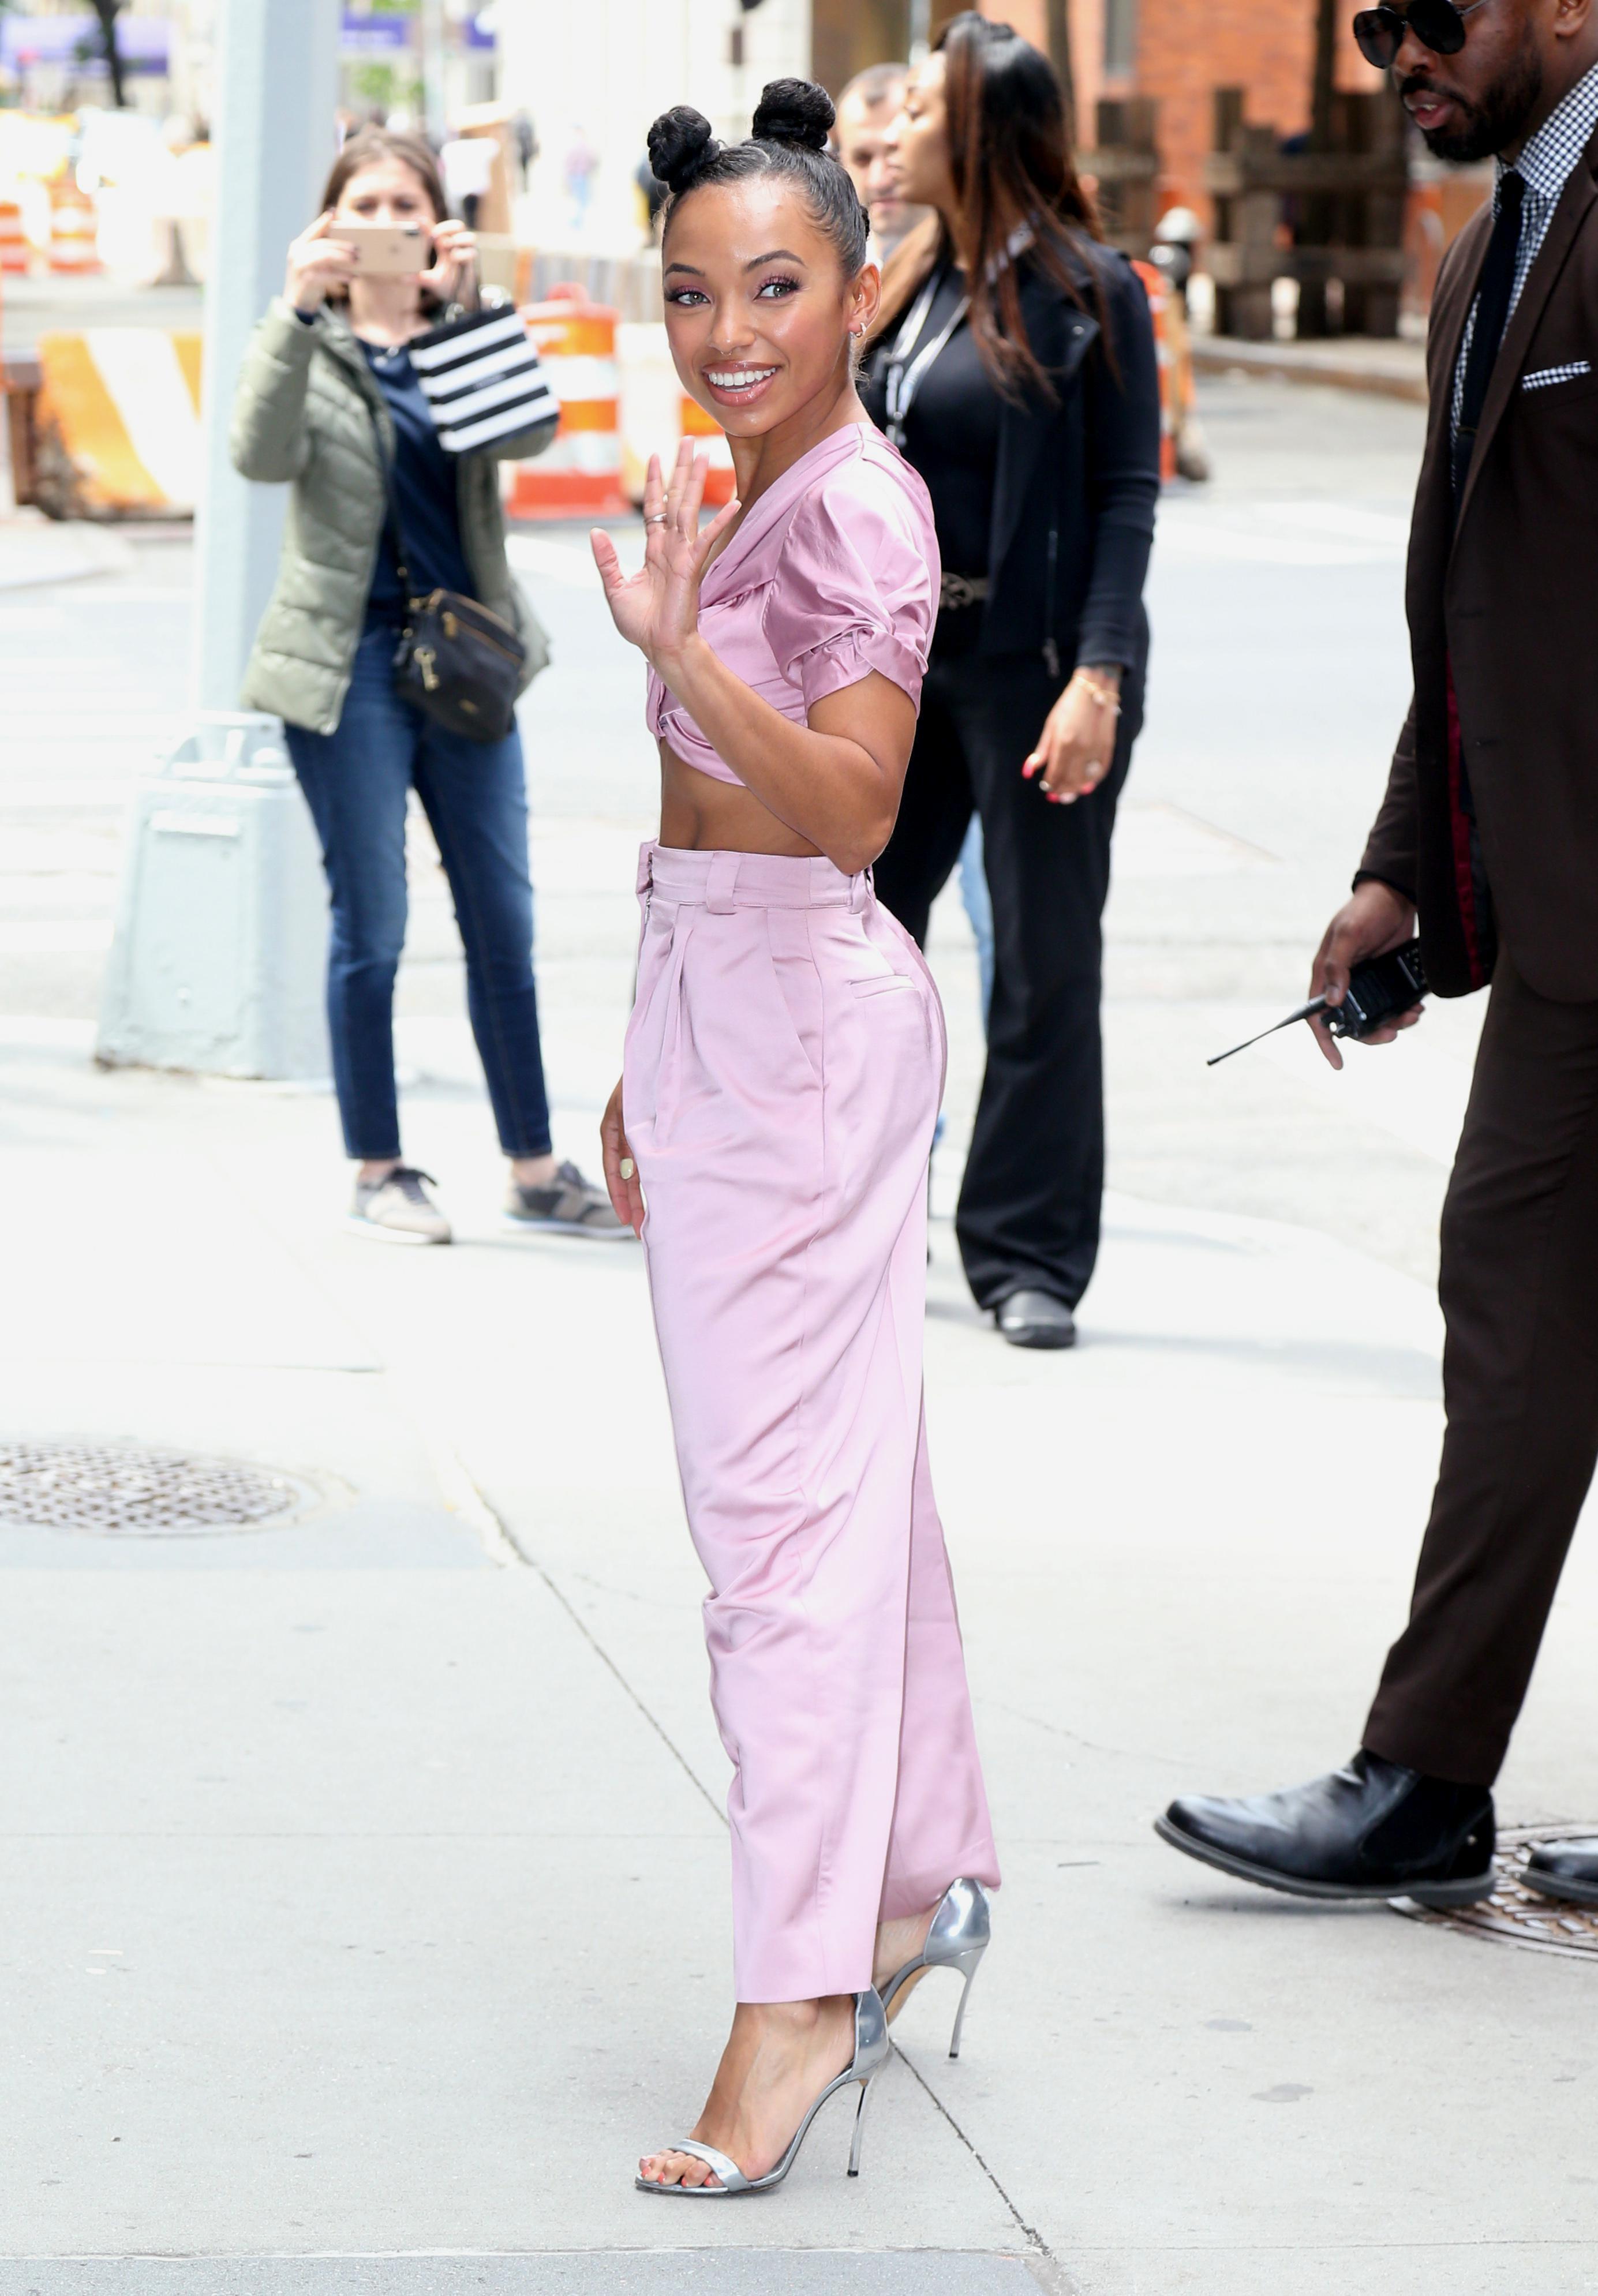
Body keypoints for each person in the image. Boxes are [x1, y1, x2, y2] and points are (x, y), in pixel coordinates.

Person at [594, 78, 1000, 2196]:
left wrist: (682, 654)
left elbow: (849, 814)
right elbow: (698, 822)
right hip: (720, 1015)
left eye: (771, 288)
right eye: (690, 292)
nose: (727, 330)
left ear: (857, 292)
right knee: (848, 1495)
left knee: (774, 1544)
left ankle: (797, 1997)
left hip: (804, 1037)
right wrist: (637, 1047)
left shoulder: (857, 505)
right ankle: (915, 1877)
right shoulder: (752, 480)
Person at [1157, 0, 1598, 1912]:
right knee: (1512, 1307)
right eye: (1372, 23)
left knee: (1517, 1306)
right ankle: (1420, 1780)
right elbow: (1483, 618)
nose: (1393, 52)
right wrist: (1399, 866)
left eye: (1432, 14)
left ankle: (1418, 1776)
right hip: (1566, 929)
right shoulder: (1490, 249)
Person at [231, 126, 622, 1246]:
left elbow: (531, 433)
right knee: (375, 923)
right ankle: (378, 1166)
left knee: (503, 918)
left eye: (407, 206)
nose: (387, 225)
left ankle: (532, 1167)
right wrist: (292, 307)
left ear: (437, 222)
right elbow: (258, 455)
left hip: (465, 659)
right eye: (365, 205)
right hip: (348, 662)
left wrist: (473, 311)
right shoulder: (308, 341)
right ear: (331, 223)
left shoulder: (459, 336)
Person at [860, 14, 1161, 1350]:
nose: (896, 128)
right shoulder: (911, 276)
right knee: (862, 936)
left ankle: (1025, 1254)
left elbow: (1123, 498)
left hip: (1037, 675)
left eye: (921, 111)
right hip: (904, 670)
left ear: (980, 135)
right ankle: (855, 1216)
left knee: (1039, 969)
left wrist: (1097, 675)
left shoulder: (1093, 290)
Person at [836, 60, 995, 1027]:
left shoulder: (968, 276)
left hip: (977, 651)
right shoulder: (852, 286)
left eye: (895, 142)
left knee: (997, 919)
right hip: (876, 658)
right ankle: (897, 1106)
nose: (881, 171)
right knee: (878, 925)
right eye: (859, 156)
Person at [834, 60, 929, 257]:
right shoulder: (833, 266)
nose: (878, 181)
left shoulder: (981, 264)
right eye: (862, 159)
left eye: (894, 152)